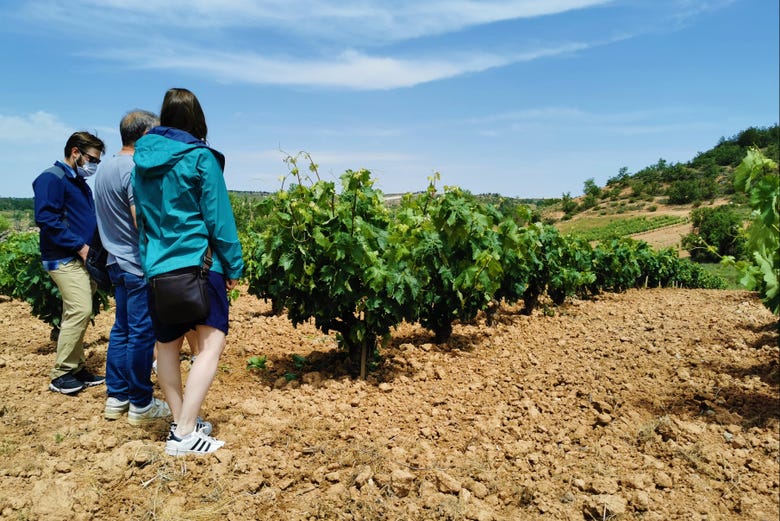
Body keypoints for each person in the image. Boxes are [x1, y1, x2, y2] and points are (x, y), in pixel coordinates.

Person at [133, 88, 243, 456]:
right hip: (199, 265)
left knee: (166, 345)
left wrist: (151, 263)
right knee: (211, 345)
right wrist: (234, 265)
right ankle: (183, 434)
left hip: (158, 269)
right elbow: (219, 219)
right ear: (197, 120)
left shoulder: (142, 163)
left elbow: (143, 222)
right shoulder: (200, 158)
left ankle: (183, 424)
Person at [95, 110, 172, 424]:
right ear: (143, 136)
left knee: (122, 330)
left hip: (114, 261)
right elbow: (141, 219)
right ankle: (141, 402)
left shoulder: (105, 168)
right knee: (142, 333)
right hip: (137, 264)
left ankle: (117, 396)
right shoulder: (134, 169)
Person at [33, 131, 107, 395]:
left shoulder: (77, 182)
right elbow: (46, 220)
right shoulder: (51, 178)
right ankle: (61, 373)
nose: (94, 165)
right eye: (92, 159)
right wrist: (81, 247)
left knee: (77, 312)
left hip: (81, 257)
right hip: (64, 258)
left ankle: (76, 367)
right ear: (75, 152)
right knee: (80, 310)